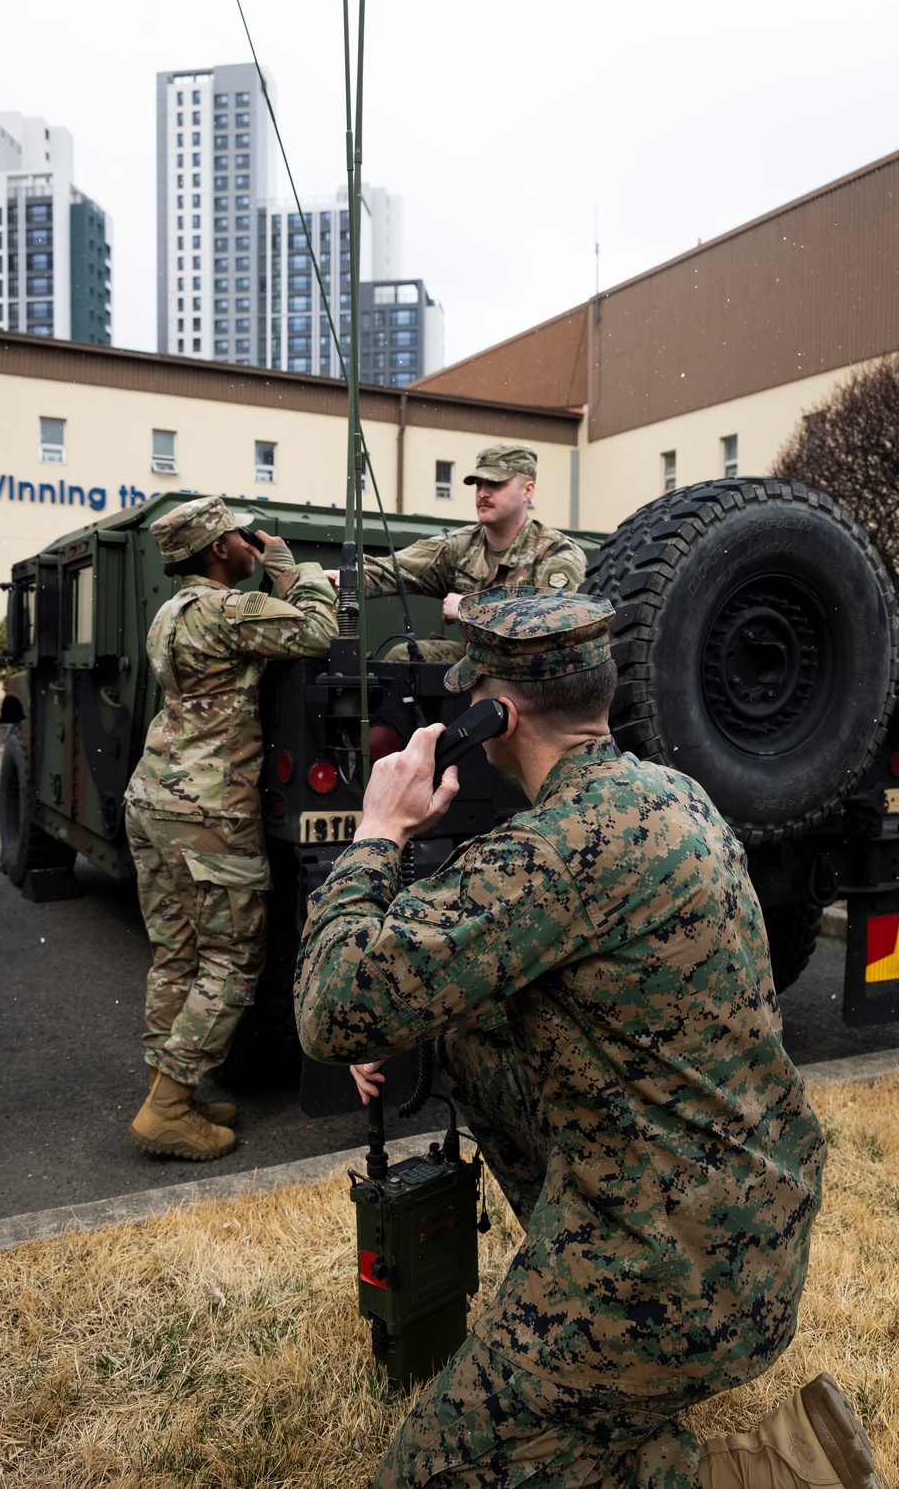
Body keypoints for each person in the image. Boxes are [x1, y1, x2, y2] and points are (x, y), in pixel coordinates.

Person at [295, 586, 881, 1488]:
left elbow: (330, 1007)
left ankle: (781, 1468)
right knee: (475, 1030)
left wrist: (377, 830)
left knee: (418, 1479)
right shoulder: (672, 795)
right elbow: (457, 973)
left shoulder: (550, 853)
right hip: (756, 1233)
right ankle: (603, 1378)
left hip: (671, 1280)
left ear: (499, 714)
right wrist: (410, 1011)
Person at [125, 495, 337, 1162]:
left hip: (154, 795)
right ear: (219, 549)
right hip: (208, 809)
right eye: (243, 536)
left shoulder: (169, 614)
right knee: (233, 959)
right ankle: (165, 1108)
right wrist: (289, 566)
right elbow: (316, 631)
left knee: (177, 952)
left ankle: (175, 1087)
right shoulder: (225, 610)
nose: (251, 543)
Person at [325, 442, 587, 661]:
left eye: (495, 484)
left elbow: (548, 626)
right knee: (404, 657)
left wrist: (470, 608)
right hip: (482, 661)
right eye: (478, 485)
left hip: (537, 672)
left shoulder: (556, 552)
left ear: (528, 490)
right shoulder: (461, 546)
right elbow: (396, 569)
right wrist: (345, 578)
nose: (483, 493)